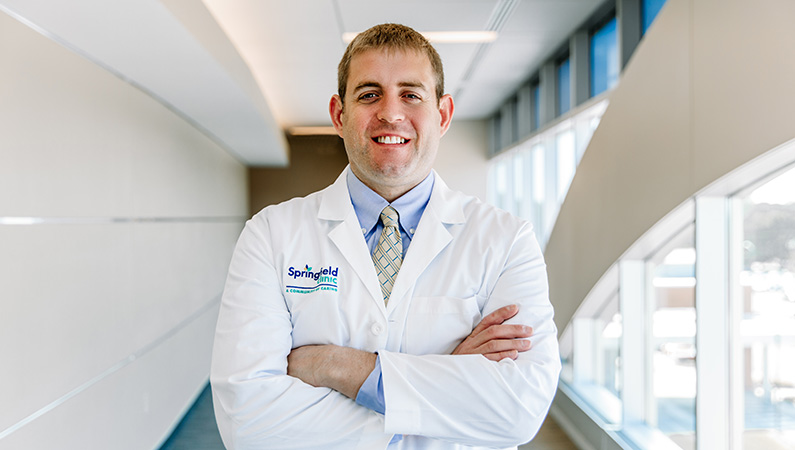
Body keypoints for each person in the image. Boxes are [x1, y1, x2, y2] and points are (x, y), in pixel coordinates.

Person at [210, 23, 560, 450]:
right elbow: (248, 423)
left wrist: (340, 367)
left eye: (411, 94)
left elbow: (519, 410)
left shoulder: (506, 240)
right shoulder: (271, 234)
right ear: (340, 115)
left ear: (443, 114)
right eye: (369, 94)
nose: (391, 114)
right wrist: (443, 385)